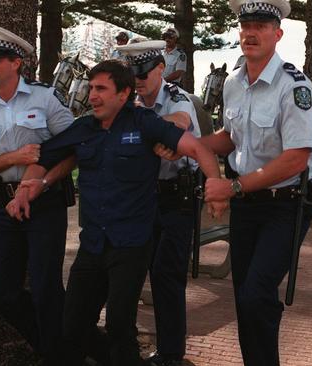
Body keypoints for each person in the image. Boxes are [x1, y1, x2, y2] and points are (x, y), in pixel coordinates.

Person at [6, 59, 227, 366]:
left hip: (131, 245)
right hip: (93, 243)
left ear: (123, 94)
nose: (92, 95)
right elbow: (45, 157)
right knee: (72, 325)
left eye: (101, 89)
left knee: (120, 324)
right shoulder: (83, 127)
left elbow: (197, 148)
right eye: (91, 88)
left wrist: (215, 184)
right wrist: (25, 190)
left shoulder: (144, 123)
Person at [201, 1, 312, 364]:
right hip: (249, 204)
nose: (251, 32)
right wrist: (190, 146)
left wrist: (233, 186)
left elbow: (296, 158)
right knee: (244, 296)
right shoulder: (234, 82)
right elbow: (232, 136)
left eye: (262, 26)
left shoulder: (295, 87)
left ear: (278, 33)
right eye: (246, 25)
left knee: (257, 292)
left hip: (286, 202)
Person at [0, 24, 75, 364]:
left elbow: (73, 149)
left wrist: (41, 182)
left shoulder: (44, 97)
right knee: (0, 294)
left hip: (46, 202)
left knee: (45, 290)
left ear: (16, 63)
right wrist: (14, 158)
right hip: (4, 206)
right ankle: (56, 345)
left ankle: (56, 355)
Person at [117, 40, 202, 366]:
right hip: (140, 199)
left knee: (167, 274)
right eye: (133, 73)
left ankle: (171, 355)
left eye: (144, 72)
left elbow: (180, 121)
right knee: (131, 272)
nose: (138, 79)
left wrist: (145, 130)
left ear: (161, 69)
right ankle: (126, 346)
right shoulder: (130, 102)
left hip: (175, 199)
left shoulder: (176, 97)